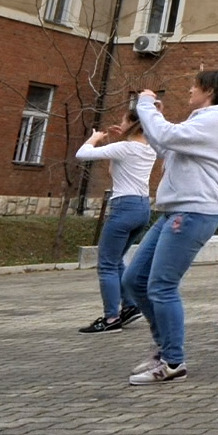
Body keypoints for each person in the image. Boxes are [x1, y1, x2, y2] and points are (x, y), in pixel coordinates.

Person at [120, 70, 218, 385]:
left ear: (209, 90)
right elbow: (167, 148)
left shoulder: (214, 119)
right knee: (135, 280)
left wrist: (146, 105)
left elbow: (167, 137)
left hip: (193, 210)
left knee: (161, 286)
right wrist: (153, 121)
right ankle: (163, 349)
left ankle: (173, 361)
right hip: (176, 210)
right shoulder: (202, 119)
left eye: (195, 85)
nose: (190, 89)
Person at [74, 115, 155, 334]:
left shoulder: (125, 148)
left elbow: (82, 154)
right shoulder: (149, 149)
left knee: (107, 264)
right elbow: (114, 170)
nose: (121, 124)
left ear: (133, 123)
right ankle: (130, 306)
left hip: (124, 208)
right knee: (116, 259)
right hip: (142, 208)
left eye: (124, 121)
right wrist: (115, 144)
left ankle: (111, 319)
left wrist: (95, 138)